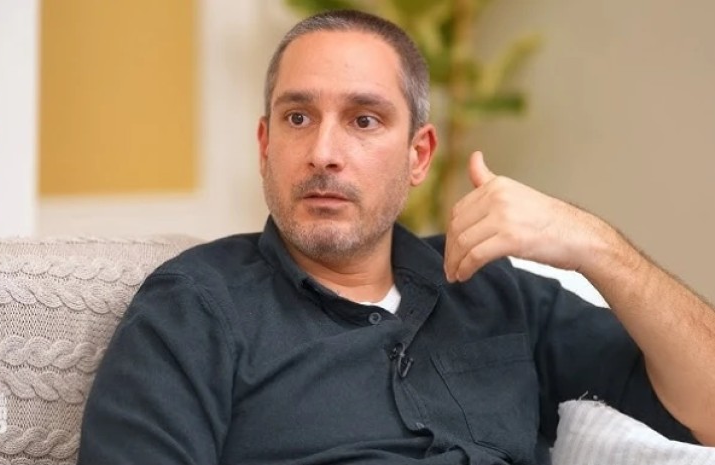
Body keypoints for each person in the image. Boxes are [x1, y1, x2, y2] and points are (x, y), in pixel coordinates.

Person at [77, 9, 715, 465]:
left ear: (419, 156)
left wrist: (596, 245)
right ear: (265, 144)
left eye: (363, 120)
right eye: (298, 117)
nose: (324, 152)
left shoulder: (496, 293)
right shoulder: (194, 307)